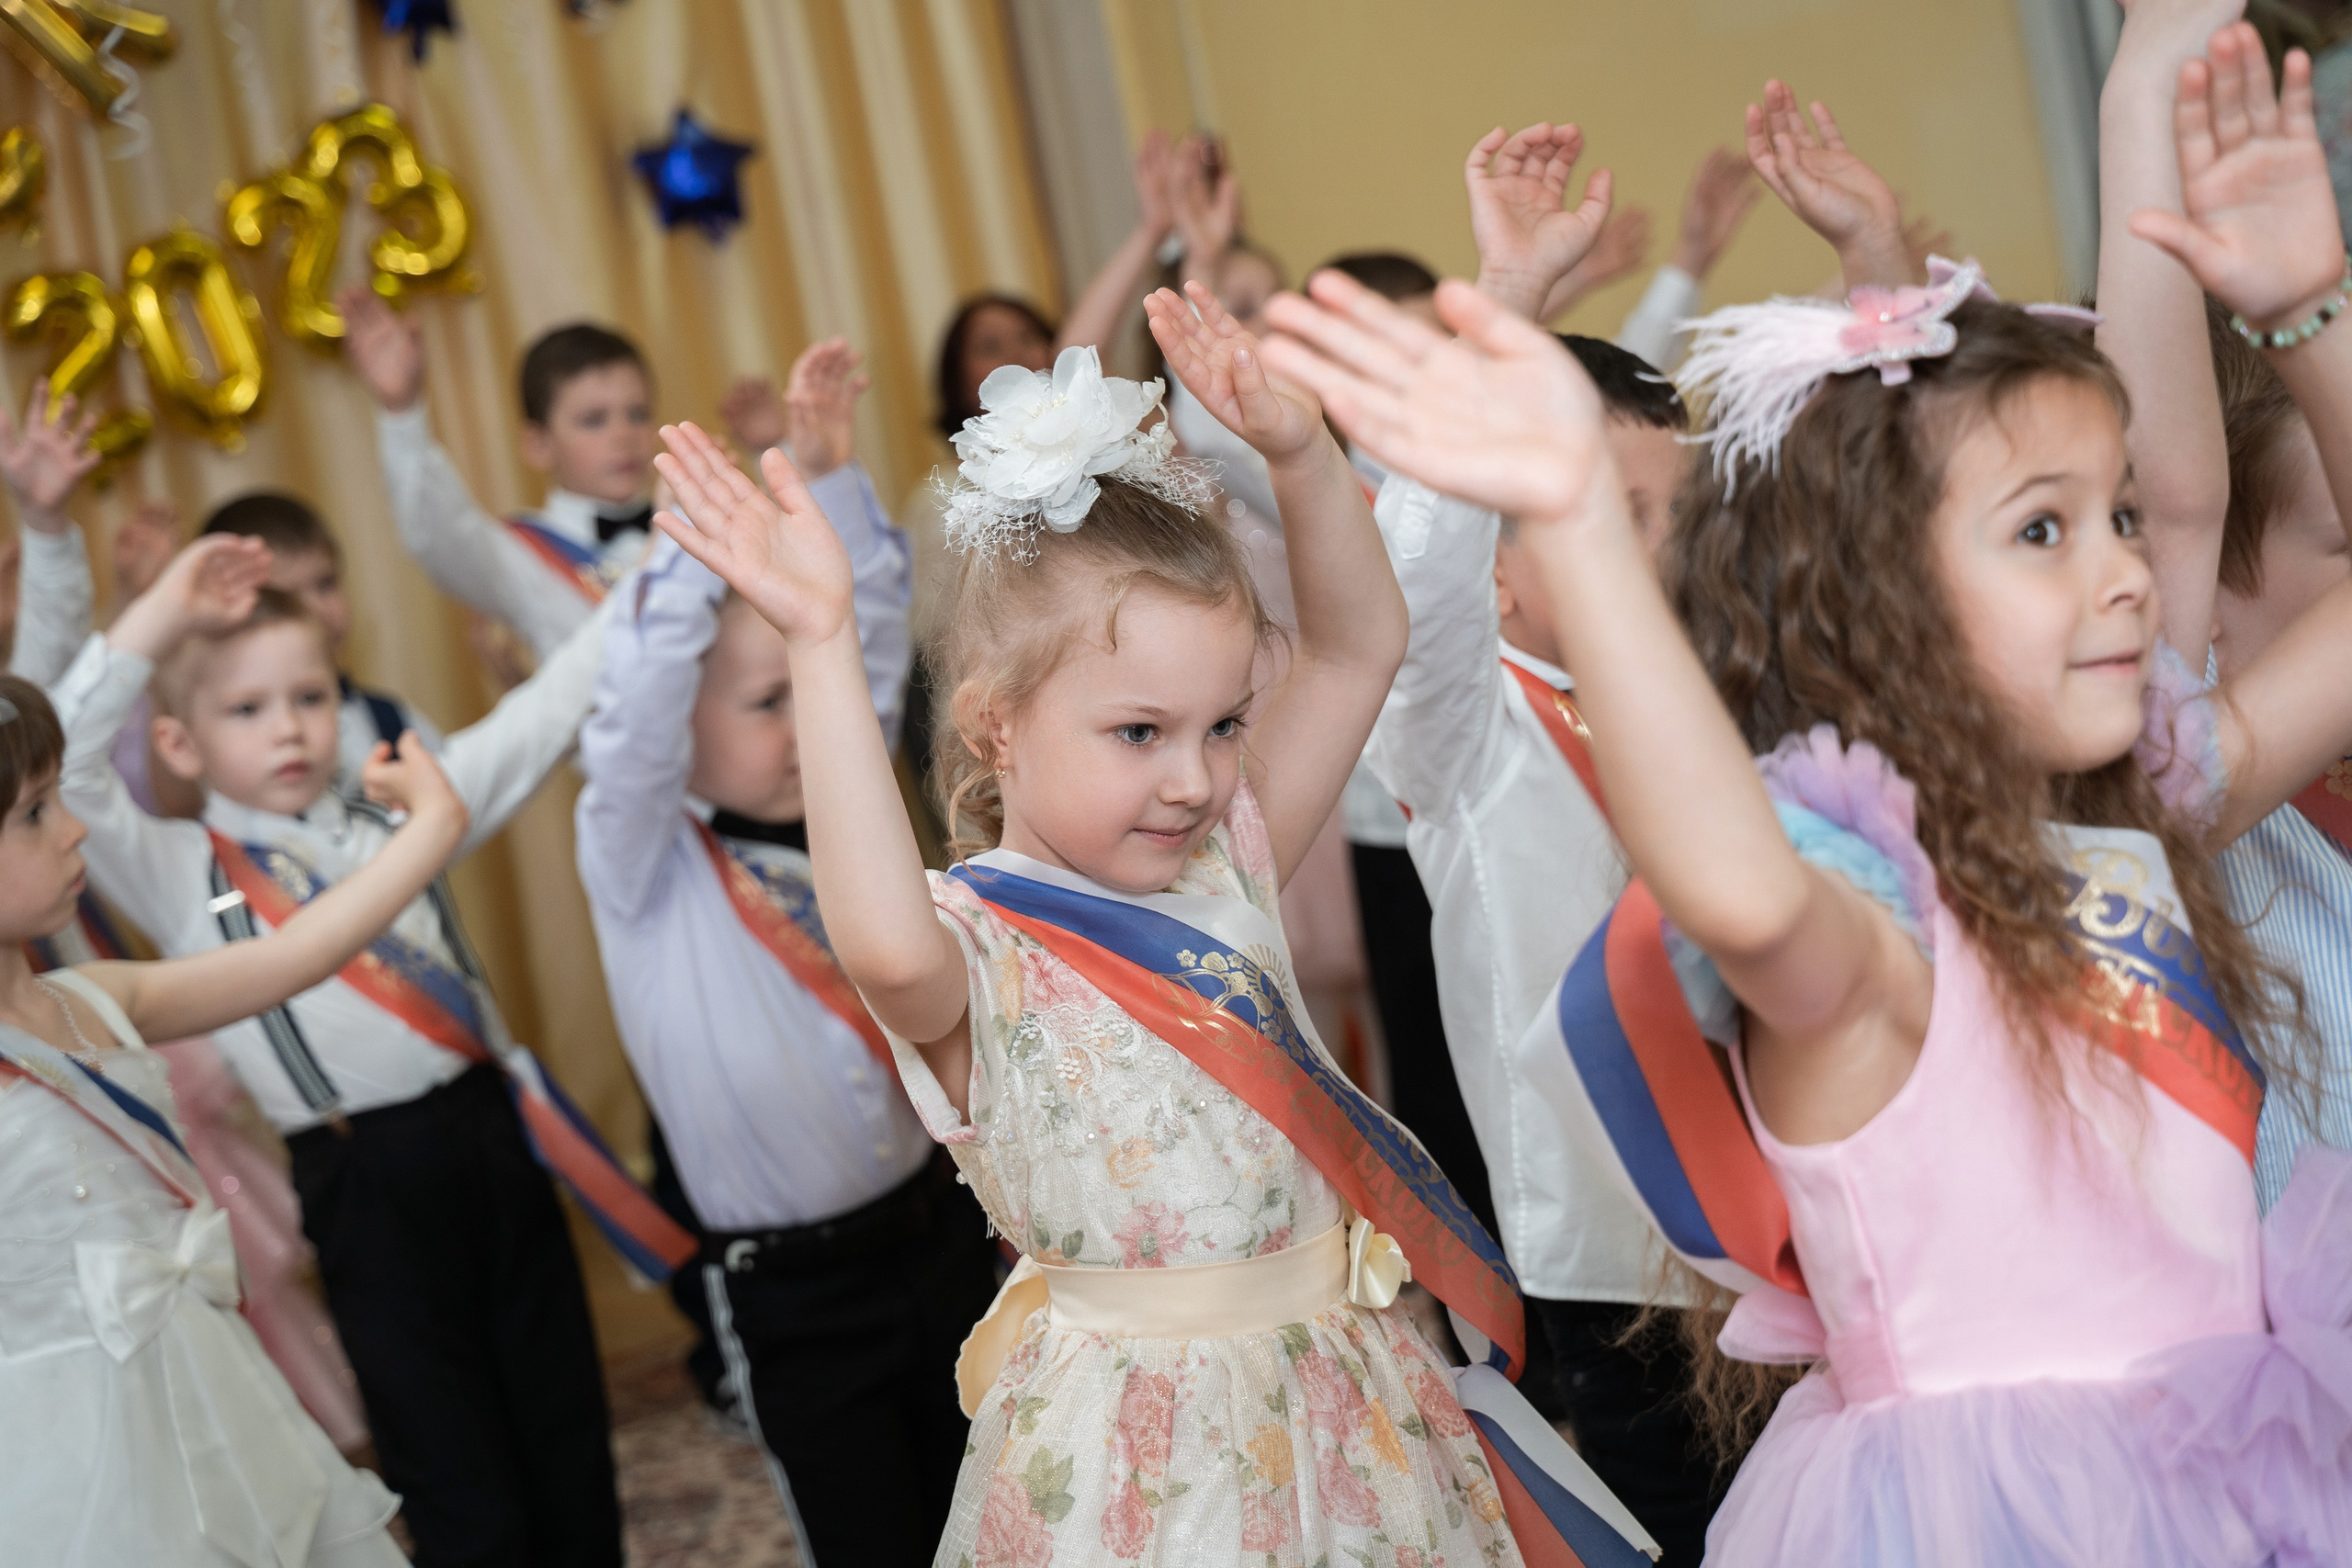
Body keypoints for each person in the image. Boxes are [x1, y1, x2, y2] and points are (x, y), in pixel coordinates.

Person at [1262, 26, 2352, 1562]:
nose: (2124, 571)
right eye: (2044, 532)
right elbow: (1732, 883)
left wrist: (2311, 313)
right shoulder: (1869, 922)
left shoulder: (2151, 812)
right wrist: (1571, 510)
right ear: (1882, 600)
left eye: (2117, 514)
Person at [647, 287, 1655, 1560]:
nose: (1194, 775)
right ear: (994, 723)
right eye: (1139, 732)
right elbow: (883, 947)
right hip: (1140, 1453)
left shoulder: (1224, 865)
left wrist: (1298, 452)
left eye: (1224, 723)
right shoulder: (971, 942)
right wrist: (822, 639)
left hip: (1346, 1405)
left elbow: (1356, 646)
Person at [49, 533, 662, 1567]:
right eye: (246, 709)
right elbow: (63, 751)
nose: (288, 729)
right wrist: (160, 610)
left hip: (488, 1137)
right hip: (361, 1179)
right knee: (446, 1449)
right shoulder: (174, 863)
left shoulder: (398, 807)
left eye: (310, 697)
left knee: (559, 1414)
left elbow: (544, 708)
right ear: (182, 744)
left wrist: (663, 569)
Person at [577, 339, 996, 1567]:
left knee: (1005, 1511)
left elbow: (857, 649)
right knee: (872, 1535)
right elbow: (633, 728)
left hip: (937, 1229)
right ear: (684, 732)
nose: (800, 726)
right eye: (762, 706)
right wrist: (688, 552)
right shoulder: (642, 867)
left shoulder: (834, 826)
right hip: (795, 1295)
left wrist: (828, 481)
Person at [0, 660, 469, 1566]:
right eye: (32, 813)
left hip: (212, 1390)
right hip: (69, 1451)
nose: (74, 828)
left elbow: (293, 958)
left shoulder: (95, 997)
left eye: (59, 798)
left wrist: (432, 829)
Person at [2104, 0, 2352, 1208]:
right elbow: (2177, 495)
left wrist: (2312, 315)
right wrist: (2142, 76)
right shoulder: (2159, 801)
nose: (2111, 569)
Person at [345, 287, 656, 659]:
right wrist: (402, 412)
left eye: (637, 414)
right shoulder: (525, 553)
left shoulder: (690, 526)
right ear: (537, 445)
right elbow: (442, 537)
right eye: (593, 420)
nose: (624, 436)